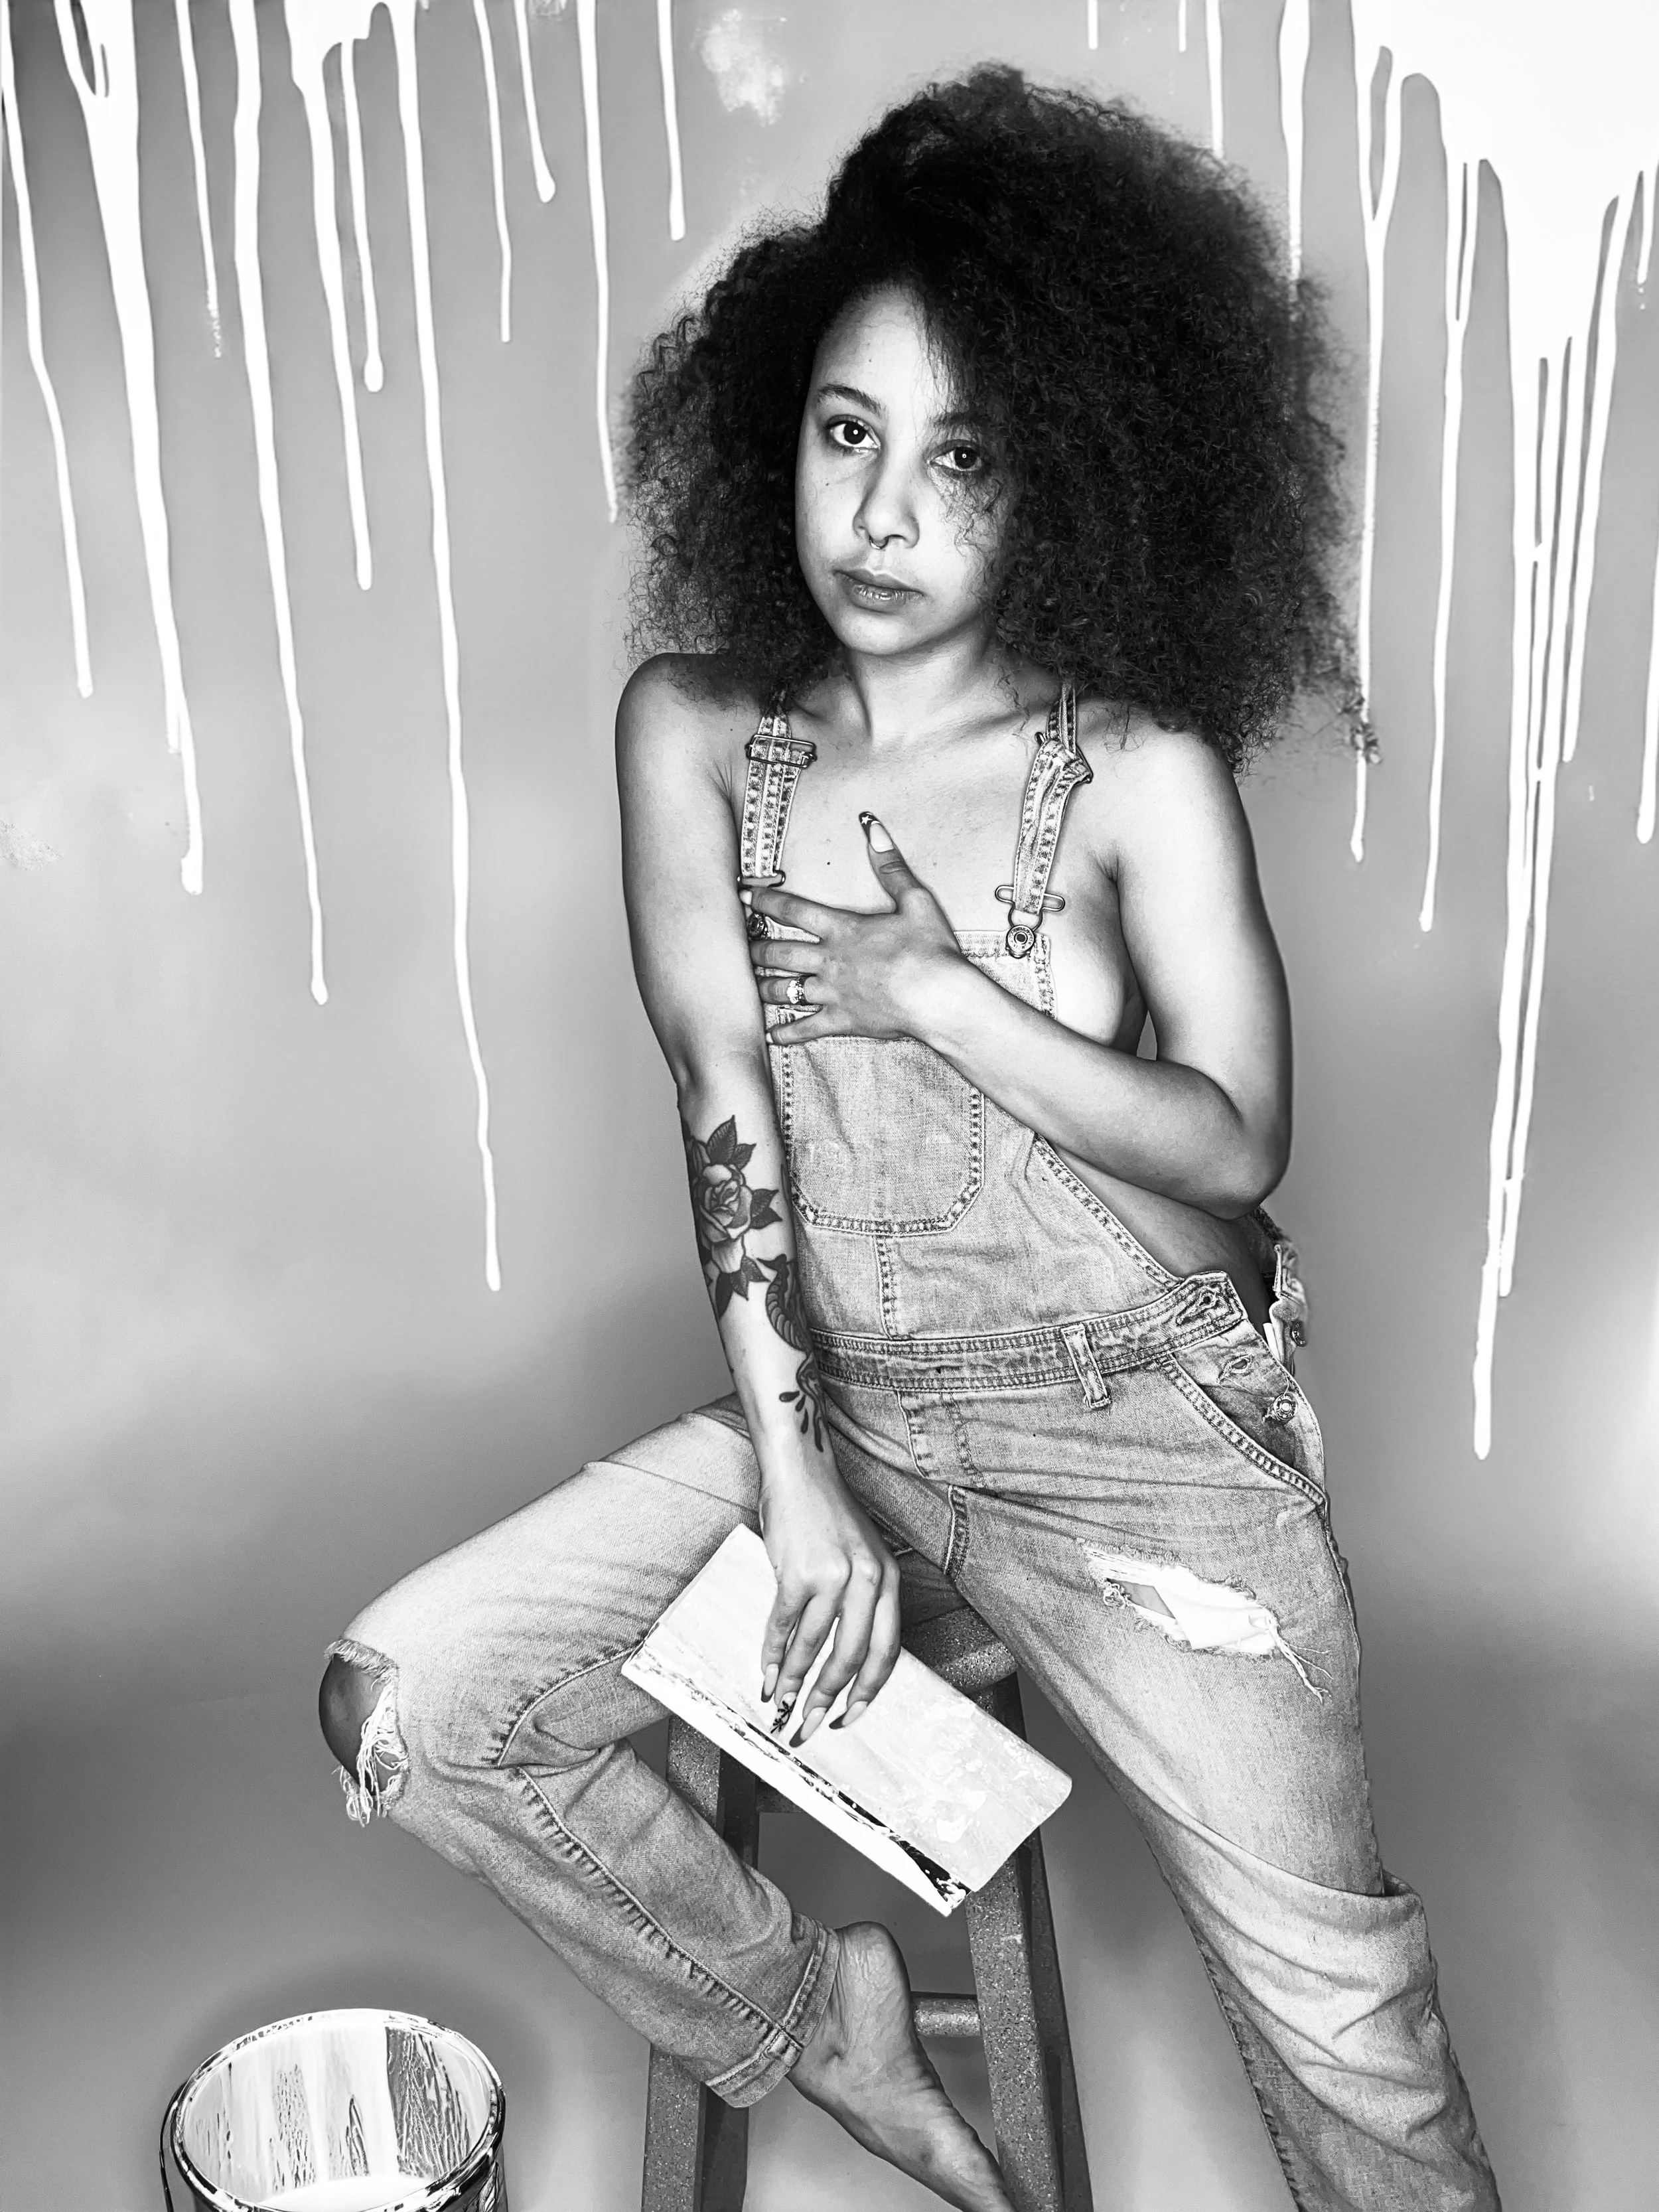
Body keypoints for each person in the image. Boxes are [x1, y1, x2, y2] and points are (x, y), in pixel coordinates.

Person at [320, 68, 1498, 2211]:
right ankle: (814, 2022)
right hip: (846, 1415)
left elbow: (1236, 1141)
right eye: (845, 437)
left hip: (1147, 1456)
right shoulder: (695, 733)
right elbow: (722, 1106)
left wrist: (941, 993)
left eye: (959, 462)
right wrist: (794, 1481)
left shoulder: (1131, 769)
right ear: (772, 427)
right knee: (418, 1694)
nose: (880, 516)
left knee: (1349, 2031)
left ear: (1066, 485)